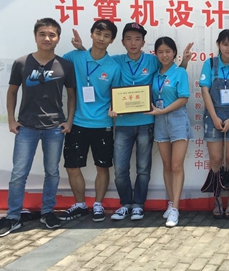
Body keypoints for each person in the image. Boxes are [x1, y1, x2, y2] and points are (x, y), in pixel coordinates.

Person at [70, 25, 192, 222]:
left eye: (137, 39)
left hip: (147, 122)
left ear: (143, 42)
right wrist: (82, 49)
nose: (133, 43)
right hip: (123, 123)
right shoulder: (116, 60)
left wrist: (184, 61)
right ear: (122, 41)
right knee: (120, 169)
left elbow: (172, 73)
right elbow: (97, 60)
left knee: (143, 168)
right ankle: (125, 204)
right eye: (129, 38)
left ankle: (138, 205)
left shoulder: (152, 60)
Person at [0, 18, 76, 238]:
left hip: (54, 128)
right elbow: (12, 92)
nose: (47, 38)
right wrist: (11, 120)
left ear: (58, 38)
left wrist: (69, 121)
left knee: (52, 172)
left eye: (52, 34)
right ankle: (13, 216)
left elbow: (72, 95)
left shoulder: (65, 65)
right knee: (19, 173)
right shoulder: (21, 63)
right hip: (27, 127)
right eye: (42, 34)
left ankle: (48, 212)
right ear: (35, 36)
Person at [60, 19, 121, 222]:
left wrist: (114, 107)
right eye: (98, 33)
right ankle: (79, 205)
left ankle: (98, 204)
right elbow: (54, 62)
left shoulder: (113, 66)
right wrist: (80, 48)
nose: (101, 38)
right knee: (72, 166)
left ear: (112, 40)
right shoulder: (74, 57)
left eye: (107, 36)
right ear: (92, 34)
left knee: (102, 167)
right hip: (77, 122)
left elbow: (116, 94)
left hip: (102, 124)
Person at [200, 29, 229, 219]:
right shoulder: (210, 64)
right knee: (216, 159)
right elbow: (205, 91)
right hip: (213, 116)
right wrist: (214, 117)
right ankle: (217, 199)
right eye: (225, 44)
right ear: (219, 45)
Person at [147, 37, 192, 227]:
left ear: (174, 53)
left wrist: (163, 111)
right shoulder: (155, 74)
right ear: (156, 54)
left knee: (176, 166)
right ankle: (171, 202)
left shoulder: (180, 72)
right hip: (159, 122)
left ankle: (175, 209)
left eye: (168, 51)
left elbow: (183, 98)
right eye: (160, 52)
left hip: (177, 120)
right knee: (166, 166)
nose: (164, 55)